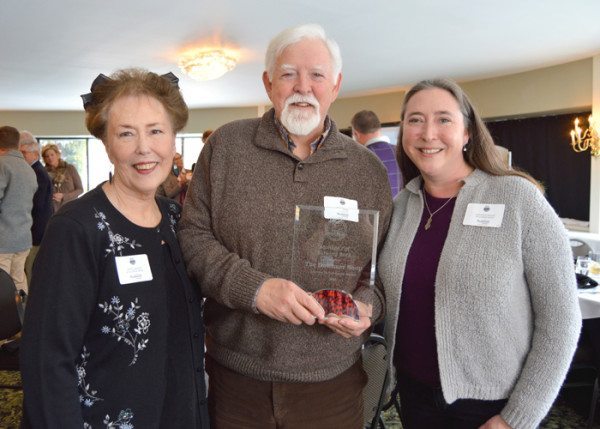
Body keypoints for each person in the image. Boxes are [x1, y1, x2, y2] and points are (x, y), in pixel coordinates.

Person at [179, 23, 392, 428]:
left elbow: (379, 271)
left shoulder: (367, 171)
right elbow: (193, 237)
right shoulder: (224, 147)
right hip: (236, 376)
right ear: (268, 82)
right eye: (289, 73)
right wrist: (255, 290)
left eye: (317, 75)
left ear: (336, 85)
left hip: (331, 382)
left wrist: (366, 306)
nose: (303, 87)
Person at [378, 78, 581, 429]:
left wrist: (517, 417)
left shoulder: (518, 199)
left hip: (491, 407)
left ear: (468, 132)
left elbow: (562, 319)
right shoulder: (401, 206)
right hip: (413, 396)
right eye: (415, 120)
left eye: (444, 119)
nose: (428, 133)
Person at [20, 69, 209, 428]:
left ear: (173, 139)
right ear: (106, 143)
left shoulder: (175, 217)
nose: (144, 147)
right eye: (126, 133)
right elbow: (48, 362)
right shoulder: (77, 229)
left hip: (177, 410)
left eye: (156, 130)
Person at [0, 126, 37, 293]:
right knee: (19, 281)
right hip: (23, 237)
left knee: (2, 285)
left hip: (3, 239)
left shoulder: (2, 164)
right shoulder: (28, 169)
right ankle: (22, 317)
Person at [19, 131, 54, 286]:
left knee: (30, 269)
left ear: (34, 153)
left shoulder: (37, 173)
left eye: (23, 152)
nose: (22, 156)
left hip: (36, 230)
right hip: (36, 229)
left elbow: (36, 205)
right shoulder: (35, 171)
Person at [351, 110, 402, 198]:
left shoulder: (356, 158)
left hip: (374, 211)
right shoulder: (401, 152)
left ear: (356, 134)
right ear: (379, 128)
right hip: (403, 210)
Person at [41, 142, 83, 212]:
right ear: (44, 159)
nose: (50, 158)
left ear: (57, 155)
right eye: (47, 156)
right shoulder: (43, 173)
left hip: (71, 208)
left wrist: (64, 196)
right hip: (52, 210)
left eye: (52, 155)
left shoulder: (70, 168)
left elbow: (80, 189)